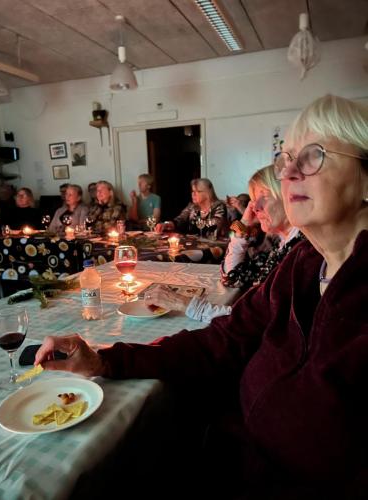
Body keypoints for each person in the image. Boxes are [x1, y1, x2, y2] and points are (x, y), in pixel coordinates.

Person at [35, 95, 368, 499]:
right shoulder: (300, 263)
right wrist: (105, 358)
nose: (291, 172)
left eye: (314, 156)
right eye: (286, 159)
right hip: (230, 454)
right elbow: (223, 339)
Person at [145, 165, 303, 323]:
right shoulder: (282, 245)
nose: (254, 206)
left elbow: (255, 319)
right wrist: (243, 224)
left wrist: (186, 304)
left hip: (215, 250)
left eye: (265, 196)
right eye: (253, 200)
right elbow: (231, 277)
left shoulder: (220, 208)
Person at [156, 178, 228, 238]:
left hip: (215, 246)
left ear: (207, 193)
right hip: (195, 245)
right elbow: (180, 220)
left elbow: (213, 228)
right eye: (193, 191)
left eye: (198, 191)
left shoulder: (219, 206)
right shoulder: (192, 206)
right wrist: (166, 224)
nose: (193, 194)